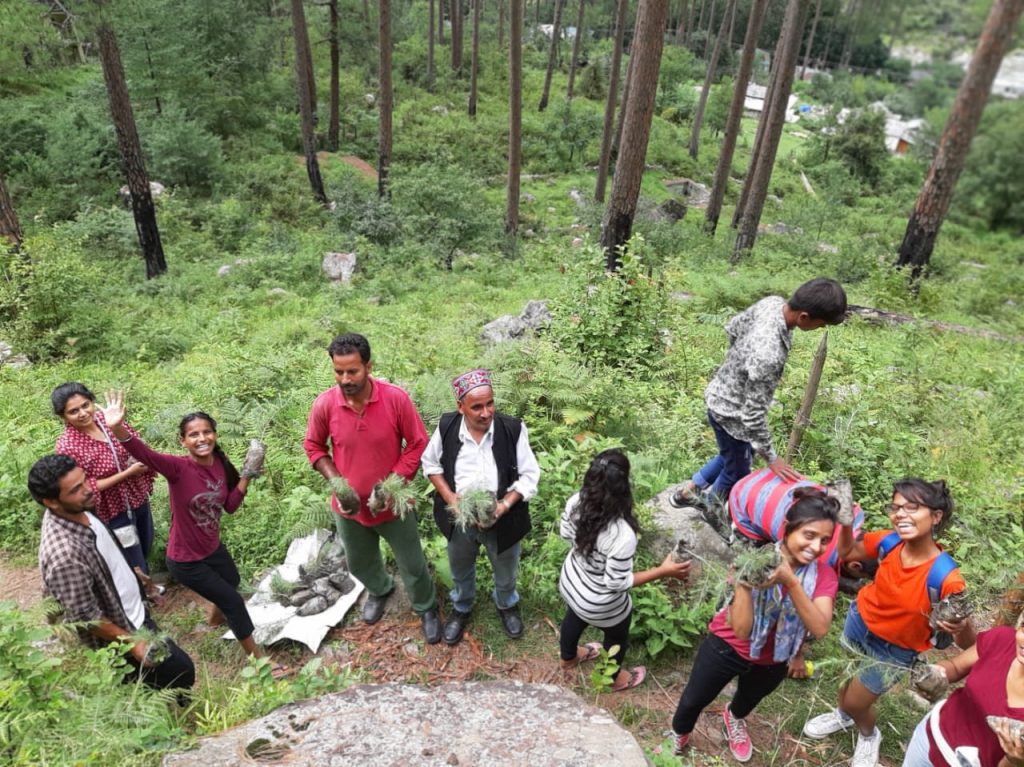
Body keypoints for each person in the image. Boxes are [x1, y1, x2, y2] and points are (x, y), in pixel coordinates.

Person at [100, 392, 283, 675]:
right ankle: (258, 661)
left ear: (214, 435)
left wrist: (247, 475)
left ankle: (213, 621)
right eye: (193, 434)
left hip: (211, 548)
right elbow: (144, 453)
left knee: (231, 581)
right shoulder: (177, 468)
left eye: (207, 432)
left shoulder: (220, 465)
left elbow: (231, 506)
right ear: (182, 441)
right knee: (233, 601)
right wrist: (117, 429)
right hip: (185, 560)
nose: (201, 438)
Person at [803, 479, 975, 767]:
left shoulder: (946, 577)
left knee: (859, 701)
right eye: (895, 507)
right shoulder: (889, 542)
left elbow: (970, 643)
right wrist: (845, 522)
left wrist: (960, 626)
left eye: (912, 507)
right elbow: (847, 554)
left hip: (895, 649)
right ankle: (843, 714)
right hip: (860, 620)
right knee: (849, 672)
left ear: (936, 516)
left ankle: (869, 734)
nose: (900, 514)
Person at [671, 488, 840, 763]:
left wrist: (791, 581)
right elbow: (741, 630)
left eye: (824, 540)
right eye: (809, 535)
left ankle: (734, 718)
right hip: (726, 647)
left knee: (748, 699)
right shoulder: (753, 561)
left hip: (775, 657)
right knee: (693, 700)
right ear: (787, 528)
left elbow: (820, 628)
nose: (816, 547)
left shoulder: (824, 576)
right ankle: (678, 734)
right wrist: (745, 586)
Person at [670, 278, 847, 526]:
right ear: (804, 317)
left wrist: (738, 365)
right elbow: (753, 417)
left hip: (720, 393)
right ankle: (712, 511)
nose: (820, 328)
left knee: (731, 455)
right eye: (821, 324)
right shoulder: (769, 353)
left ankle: (689, 490)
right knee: (738, 471)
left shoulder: (772, 303)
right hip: (733, 414)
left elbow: (732, 327)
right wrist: (772, 458)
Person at [303, 333, 440, 643]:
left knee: (413, 563)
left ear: (368, 366)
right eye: (339, 371)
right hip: (349, 507)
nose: (346, 379)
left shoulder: (394, 399)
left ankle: (426, 606)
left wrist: (392, 484)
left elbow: (418, 442)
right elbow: (313, 445)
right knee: (359, 561)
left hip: (392, 503)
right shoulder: (326, 404)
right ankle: (380, 589)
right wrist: (337, 482)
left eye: (353, 371)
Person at [31, 453, 194, 692]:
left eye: (85, 479)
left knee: (167, 679)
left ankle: (171, 703)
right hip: (123, 630)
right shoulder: (64, 555)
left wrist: (134, 576)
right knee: (180, 671)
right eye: (76, 489)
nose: (88, 489)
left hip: (132, 611)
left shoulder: (79, 508)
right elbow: (86, 617)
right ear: (51, 502)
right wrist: (133, 643)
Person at [422, 368, 541, 645]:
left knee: (506, 569)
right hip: (460, 520)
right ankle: (462, 606)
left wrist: (504, 505)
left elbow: (530, 475)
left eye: (490, 404)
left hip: (504, 519)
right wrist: (452, 500)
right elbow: (431, 465)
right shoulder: (448, 427)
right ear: (460, 406)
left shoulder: (512, 429)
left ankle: (506, 604)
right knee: (460, 567)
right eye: (476, 407)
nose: (486, 412)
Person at [558, 449, 691, 692]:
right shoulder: (621, 534)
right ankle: (612, 678)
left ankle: (568, 657)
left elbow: (565, 534)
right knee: (617, 632)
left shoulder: (575, 502)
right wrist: (663, 570)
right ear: (623, 488)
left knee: (574, 614)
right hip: (598, 602)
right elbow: (616, 583)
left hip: (571, 582)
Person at [903, 600, 1024, 767]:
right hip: (930, 739)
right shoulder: (1003, 639)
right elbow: (956, 666)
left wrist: (1015, 761)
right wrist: (936, 674)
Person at [52, 382, 156, 575]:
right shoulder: (68, 446)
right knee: (130, 553)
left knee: (146, 539)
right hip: (112, 508)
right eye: (73, 411)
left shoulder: (105, 420)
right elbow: (85, 486)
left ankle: (147, 580)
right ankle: (142, 594)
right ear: (63, 416)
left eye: (85, 405)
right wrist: (128, 473)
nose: (83, 413)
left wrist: (118, 428)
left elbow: (133, 441)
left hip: (136, 495)